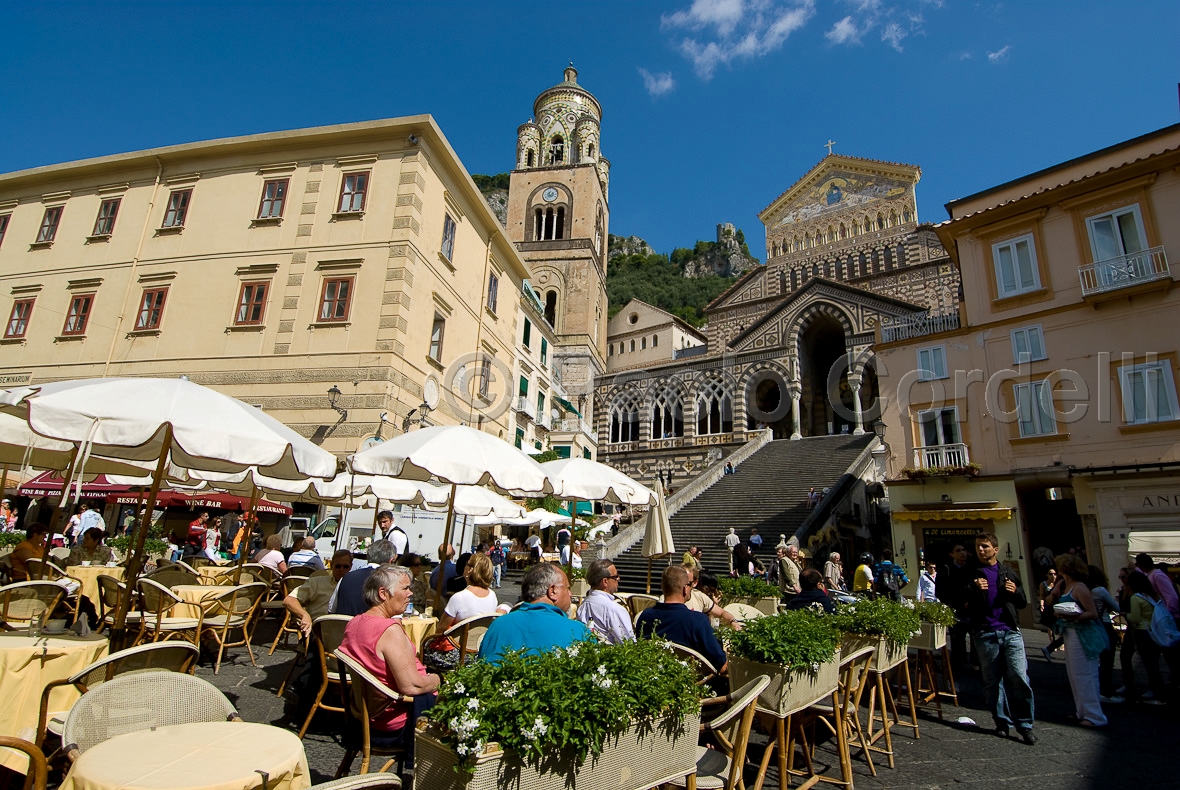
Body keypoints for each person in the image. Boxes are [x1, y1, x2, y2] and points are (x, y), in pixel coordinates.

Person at [337, 565, 441, 765]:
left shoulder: (355, 623)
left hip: (364, 717)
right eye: (405, 588)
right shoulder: (388, 630)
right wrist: (440, 679)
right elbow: (413, 686)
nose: (410, 593)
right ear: (383, 593)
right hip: (395, 723)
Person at [967, 532, 1036, 744]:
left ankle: (1024, 724)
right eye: (978, 546)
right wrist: (974, 589)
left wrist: (1015, 592)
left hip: (1010, 630)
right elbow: (962, 600)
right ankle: (1002, 722)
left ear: (995, 549)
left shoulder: (1008, 572)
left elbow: (1022, 601)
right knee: (991, 681)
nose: (980, 550)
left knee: (1019, 675)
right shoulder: (972, 574)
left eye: (985, 546)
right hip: (985, 632)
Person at [478, 563, 591, 663]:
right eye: (567, 588)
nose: (570, 594)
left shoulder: (497, 626)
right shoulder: (578, 632)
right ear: (552, 591)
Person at [1042, 553, 1107, 727]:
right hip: (1070, 633)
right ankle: (1082, 712)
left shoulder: (1080, 588)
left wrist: (1071, 616)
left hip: (1082, 634)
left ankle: (1095, 716)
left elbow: (1092, 613)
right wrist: (1055, 591)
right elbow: (1049, 600)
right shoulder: (1064, 585)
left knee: (1085, 674)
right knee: (1075, 675)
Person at [636, 565, 728, 674]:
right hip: (694, 683)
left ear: (662, 587)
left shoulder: (645, 617)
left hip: (654, 679)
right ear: (685, 589)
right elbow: (722, 666)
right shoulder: (698, 621)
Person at [1125, 572, 1168, 705]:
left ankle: (1158, 694)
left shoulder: (1136, 598)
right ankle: (1156, 690)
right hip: (1156, 632)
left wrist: (1126, 615)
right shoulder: (1153, 596)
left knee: (1150, 665)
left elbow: (1135, 618)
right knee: (1154, 664)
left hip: (1143, 632)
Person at [286, 549, 354, 631]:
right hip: (319, 630)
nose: (341, 569)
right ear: (331, 565)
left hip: (347, 630)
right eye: (338, 566)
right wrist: (304, 615)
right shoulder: (316, 583)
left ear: (351, 567)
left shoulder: (357, 586)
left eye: (345, 566)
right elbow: (289, 600)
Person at [1086, 565, 1123, 704]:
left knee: (1094, 661)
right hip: (1104, 625)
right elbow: (1116, 608)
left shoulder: (1084, 590)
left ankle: (1097, 689)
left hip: (1090, 626)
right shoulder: (1100, 591)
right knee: (1107, 661)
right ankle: (1106, 691)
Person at [576, 559, 634, 644]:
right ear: (605, 581)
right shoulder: (614, 609)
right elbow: (629, 644)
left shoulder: (582, 607)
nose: (618, 578)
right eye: (615, 576)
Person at [330, 540, 395, 616]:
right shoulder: (389, 581)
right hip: (371, 626)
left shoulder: (346, 577)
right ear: (391, 561)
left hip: (342, 626)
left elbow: (331, 609)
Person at [439, 554, 505, 630]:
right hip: (481, 640)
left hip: (459, 641)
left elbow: (441, 629)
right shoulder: (492, 595)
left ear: (470, 570)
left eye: (466, 564)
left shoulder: (458, 598)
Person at [938, 543, 974, 673]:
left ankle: (976, 663)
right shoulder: (946, 570)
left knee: (976, 639)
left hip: (972, 612)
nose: (962, 553)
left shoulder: (971, 568)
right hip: (955, 613)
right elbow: (940, 593)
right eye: (958, 550)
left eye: (964, 549)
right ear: (951, 554)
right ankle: (957, 671)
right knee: (957, 642)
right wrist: (957, 604)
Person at [683, 564, 743, 630]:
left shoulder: (699, 596)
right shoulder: (674, 598)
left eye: (687, 584)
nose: (710, 593)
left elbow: (721, 613)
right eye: (708, 589)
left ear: (695, 583)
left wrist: (733, 622)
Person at [1135, 552, 1180, 619]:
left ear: (1140, 566)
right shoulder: (1151, 575)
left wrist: (1165, 614)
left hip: (1169, 617)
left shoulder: (1158, 575)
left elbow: (1171, 597)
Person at [1038, 568, 1064, 661]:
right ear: (1047, 575)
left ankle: (1056, 645)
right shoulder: (1044, 584)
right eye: (1050, 574)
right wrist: (1042, 605)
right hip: (1050, 607)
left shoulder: (1059, 583)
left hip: (1059, 607)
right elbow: (1042, 596)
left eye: (1054, 574)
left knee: (1062, 627)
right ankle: (1052, 644)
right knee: (1050, 627)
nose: (1052, 576)